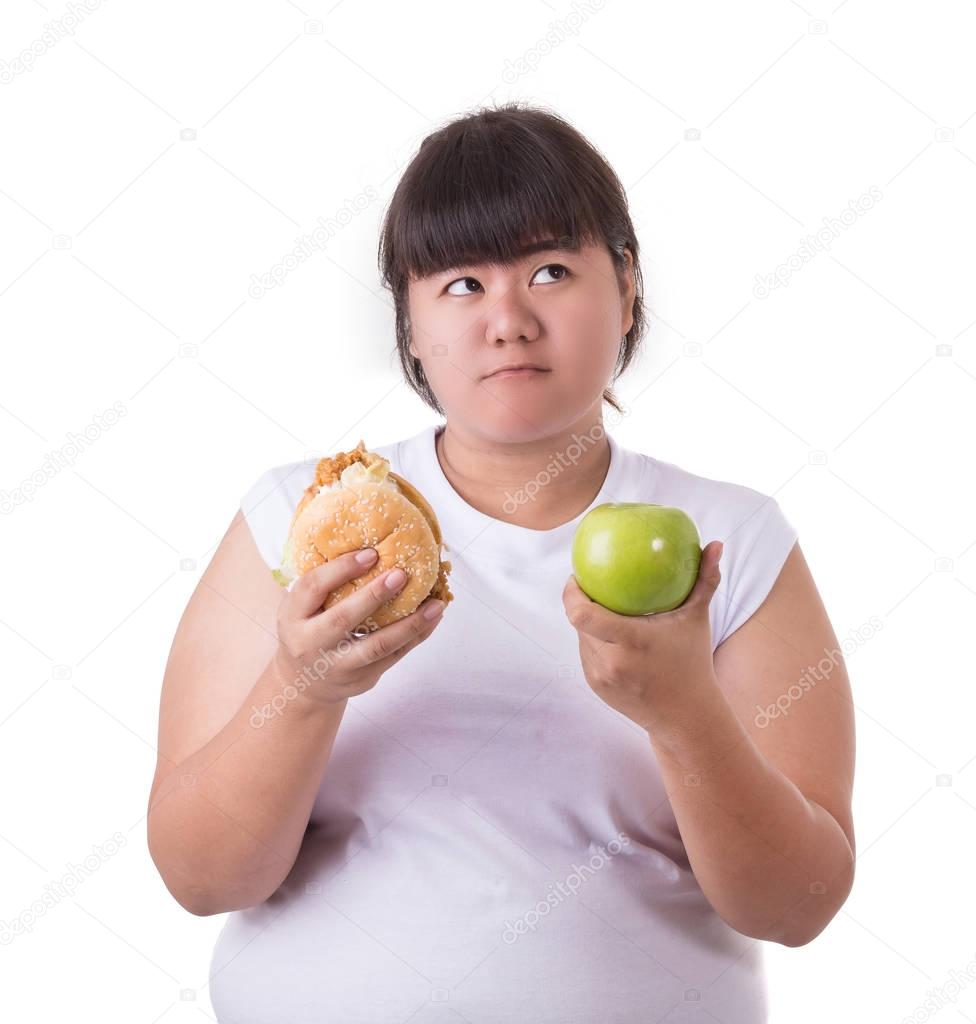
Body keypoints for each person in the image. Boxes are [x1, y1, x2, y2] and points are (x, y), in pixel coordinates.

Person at [148, 101, 856, 1023]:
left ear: (628, 288)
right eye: (461, 286)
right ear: (408, 322)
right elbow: (202, 879)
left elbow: (797, 907)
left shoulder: (732, 543)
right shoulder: (304, 522)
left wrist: (685, 715)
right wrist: (304, 683)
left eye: (551, 270)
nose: (509, 320)